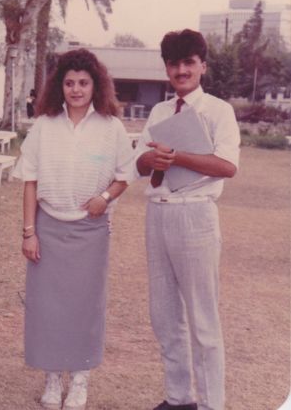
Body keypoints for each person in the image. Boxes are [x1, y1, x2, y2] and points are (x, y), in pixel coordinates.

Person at [12, 49, 136, 410]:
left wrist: (104, 196)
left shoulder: (111, 127)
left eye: (83, 83)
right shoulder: (44, 125)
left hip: (91, 231)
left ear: (95, 85)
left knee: (85, 308)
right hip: (48, 228)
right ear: (59, 86)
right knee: (47, 307)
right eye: (69, 83)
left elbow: (124, 176)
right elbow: (30, 181)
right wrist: (29, 232)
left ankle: (79, 380)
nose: (76, 89)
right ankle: (52, 378)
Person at [135, 29, 240, 410]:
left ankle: (213, 404)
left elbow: (227, 166)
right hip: (158, 214)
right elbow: (139, 164)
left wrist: (178, 156)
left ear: (202, 66)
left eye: (188, 63)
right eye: (174, 63)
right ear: (166, 68)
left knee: (202, 318)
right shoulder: (160, 112)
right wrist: (152, 160)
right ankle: (179, 397)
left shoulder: (218, 111)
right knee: (164, 315)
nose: (181, 70)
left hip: (195, 214)